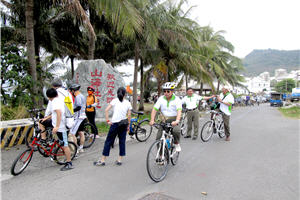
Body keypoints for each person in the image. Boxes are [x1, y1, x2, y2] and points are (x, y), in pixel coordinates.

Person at [94, 87, 132, 166]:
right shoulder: (128, 103)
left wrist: (108, 120)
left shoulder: (114, 101)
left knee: (108, 141)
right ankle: (119, 160)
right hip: (124, 124)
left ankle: (103, 160)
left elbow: (106, 110)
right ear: (125, 94)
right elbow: (129, 115)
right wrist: (128, 125)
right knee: (122, 141)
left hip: (114, 124)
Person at [149, 82, 182, 152]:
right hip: (164, 119)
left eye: (168, 91)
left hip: (175, 118)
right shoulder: (161, 98)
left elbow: (179, 111)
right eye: (164, 91)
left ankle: (176, 143)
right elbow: (154, 109)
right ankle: (161, 156)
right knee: (158, 138)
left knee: (176, 131)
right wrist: (152, 120)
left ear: (172, 91)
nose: (166, 93)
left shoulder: (177, 99)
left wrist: (177, 121)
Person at [39, 78, 73, 145]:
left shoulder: (55, 93)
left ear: (52, 86)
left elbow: (50, 108)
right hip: (69, 118)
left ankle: (44, 139)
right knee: (68, 136)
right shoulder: (67, 93)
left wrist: (46, 116)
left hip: (60, 120)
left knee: (41, 122)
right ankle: (74, 150)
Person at [46, 88, 73, 171]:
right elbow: (55, 113)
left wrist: (57, 126)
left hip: (62, 128)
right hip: (60, 127)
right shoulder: (58, 100)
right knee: (62, 144)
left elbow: (59, 113)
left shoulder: (55, 102)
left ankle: (69, 163)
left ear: (49, 97)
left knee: (65, 146)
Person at [69, 83, 86, 153]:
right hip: (83, 116)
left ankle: (75, 149)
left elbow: (78, 107)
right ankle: (81, 148)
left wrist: (71, 111)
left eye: (71, 90)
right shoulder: (82, 96)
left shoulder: (78, 97)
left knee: (72, 133)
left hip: (78, 117)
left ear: (73, 90)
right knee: (81, 132)